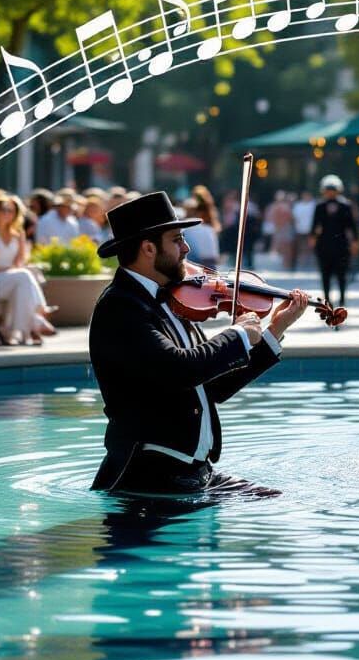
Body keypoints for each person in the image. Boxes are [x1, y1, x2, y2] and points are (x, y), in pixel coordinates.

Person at [88, 191, 308, 496]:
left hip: (194, 474)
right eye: (177, 239)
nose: (187, 248)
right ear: (148, 248)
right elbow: (181, 368)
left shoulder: (172, 299)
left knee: (277, 499)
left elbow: (212, 385)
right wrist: (239, 334)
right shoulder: (120, 308)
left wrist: (274, 330)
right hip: (149, 478)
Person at [0, 195, 56, 344]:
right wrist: (12, 269)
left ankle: (16, 333)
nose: (7, 213)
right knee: (23, 276)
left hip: (13, 278)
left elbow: (20, 262)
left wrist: (16, 269)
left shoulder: (18, 233)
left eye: (11, 210)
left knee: (23, 281)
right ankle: (35, 319)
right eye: (3, 209)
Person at [310, 174, 359, 309]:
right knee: (325, 275)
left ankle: (342, 301)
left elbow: (352, 226)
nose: (330, 192)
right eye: (328, 189)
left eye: (333, 189)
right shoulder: (319, 206)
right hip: (324, 246)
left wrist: (355, 242)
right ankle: (327, 302)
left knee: (342, 275)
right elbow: (314, 226)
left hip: (341, 246)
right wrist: (313, 240)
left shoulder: (345, 205)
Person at [291, 190, 317, 270]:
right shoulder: (298, 205)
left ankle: (312, 264)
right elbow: (294, 217)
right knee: (301, 247)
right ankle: (301, 263)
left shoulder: (314, 205)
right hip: (300, 229)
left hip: (311, 230)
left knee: (312, 247)